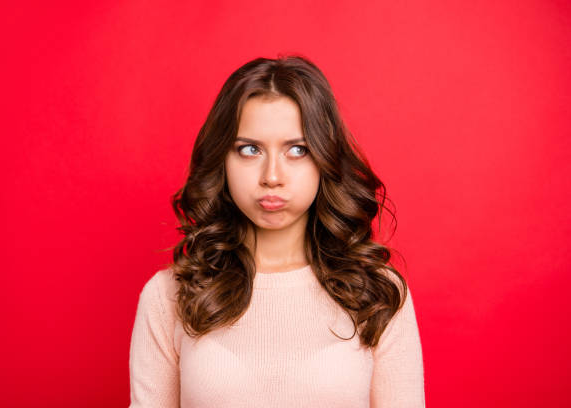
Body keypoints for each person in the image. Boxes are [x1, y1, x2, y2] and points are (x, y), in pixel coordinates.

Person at [128, 55, 425, 407]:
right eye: (250, 149)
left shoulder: (379, 294)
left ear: (325, 158)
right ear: (223, 159)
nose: (272, 176)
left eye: (297, 150)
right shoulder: (168, 297)